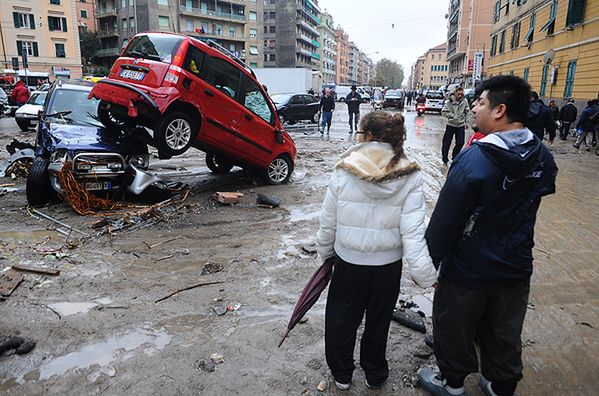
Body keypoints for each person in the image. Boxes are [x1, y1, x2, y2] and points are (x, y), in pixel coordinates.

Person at [419, 75, 557, 396]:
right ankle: (500, 384)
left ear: (500, 110)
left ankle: (451, 383)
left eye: (480, 102)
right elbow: (542, 190)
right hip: (516, 264)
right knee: (504, 328)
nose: (475, 108)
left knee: (454, 323)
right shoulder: (542, 156)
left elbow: (446, 221)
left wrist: (428, 265)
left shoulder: (474, 158)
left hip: (469, 268)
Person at [317, 111, 437, 391]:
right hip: (387, 266)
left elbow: (328, 220)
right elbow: (413, 231)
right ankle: (375, 373)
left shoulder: (344, 168)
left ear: (368, 136)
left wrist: (325, 253)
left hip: (348, 261)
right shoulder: (411, 172)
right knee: (379, 322)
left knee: (341, 319)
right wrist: (425, 273)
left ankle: (342, 374)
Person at [440, 87, 472, 166]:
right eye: (458, 94)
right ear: (454, 93)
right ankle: (445, 159)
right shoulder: (449, 102)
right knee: (446, 143)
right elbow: (443, 112)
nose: (460, 96)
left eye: (462, 94)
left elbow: (467, 111)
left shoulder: (465, 101)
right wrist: (453, 116)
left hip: (460, 125)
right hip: (451, 125)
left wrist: (467, 122)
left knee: (460, 142)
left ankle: (454, 157)